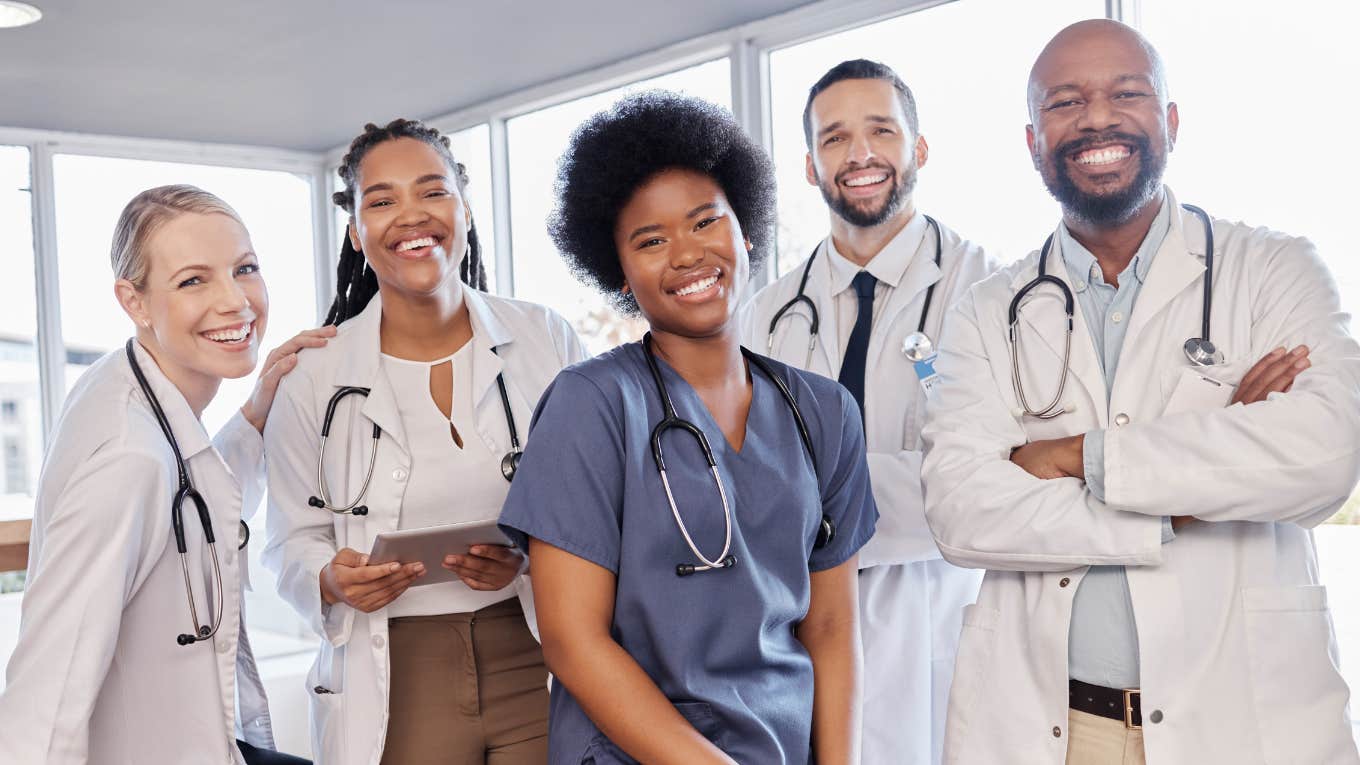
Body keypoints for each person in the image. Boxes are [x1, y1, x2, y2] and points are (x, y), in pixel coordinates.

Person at [921, 19, 1360, 764]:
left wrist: (1070, 455)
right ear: (1032, 141)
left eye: (1127, 93)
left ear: (1170, 121)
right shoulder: (985, 309)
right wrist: (1200, 484)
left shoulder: (1275, 269)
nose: (1097, 118)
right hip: (1053, 730)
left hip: (1244, 724)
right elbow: (962, 512)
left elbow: (1325, 454)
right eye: (1064, 102)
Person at [498, 91, 877, 765]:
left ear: (746, 230)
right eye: (650, 239)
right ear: (617, 269)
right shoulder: (590, 404)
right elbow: (570, 638)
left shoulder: (824, 413)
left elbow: (831, 622)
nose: (686, 254)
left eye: (705, 223)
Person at [262, 118, 587, 765]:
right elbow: (289, 540)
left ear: (464, 209)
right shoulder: (314, 377)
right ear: (356, 231)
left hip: (536, 653)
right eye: (381, 200)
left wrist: (526, 554)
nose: (410, 215)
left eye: (432, 191)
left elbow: (598, 503)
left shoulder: (545, 339)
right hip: (396, 673)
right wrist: (331, 577)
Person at [0, 184, 330, 764]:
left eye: (244, 268)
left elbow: (195, 490)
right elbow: (46, 696)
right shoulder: (127, 459)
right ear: (135, 301)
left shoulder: (130, 383)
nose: (236, 302)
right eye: (193, 280)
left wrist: (256, 411)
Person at [740, 59, 997, 765]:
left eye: (880, 130)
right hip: (799, 635)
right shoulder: (765, 315)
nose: (858, 154)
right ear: (809, 164)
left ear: (917, 149)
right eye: (834, 138)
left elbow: (988, 483)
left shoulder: (988, 290)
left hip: (938, 625)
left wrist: (811, 505)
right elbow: (740, 481)